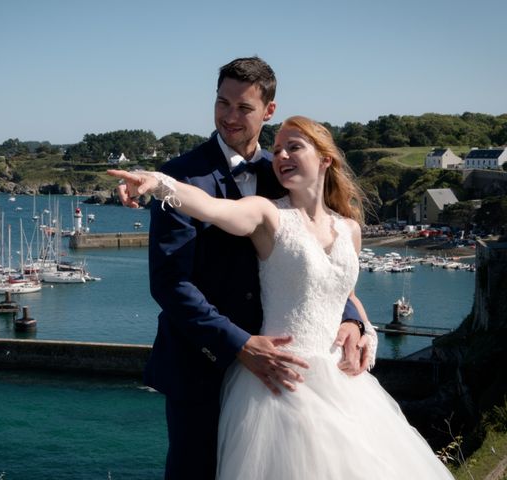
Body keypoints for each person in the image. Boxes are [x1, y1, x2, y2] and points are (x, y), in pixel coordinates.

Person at [108, 115, 454, 479]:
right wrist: (159, 183)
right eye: (277, 150)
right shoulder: (267, 213)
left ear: (325, 159)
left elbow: (342, 293)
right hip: (278, 383)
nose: (282, 156)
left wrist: (362, 327)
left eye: (294, 147)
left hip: (342, 383)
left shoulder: (350, 229)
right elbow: (210, 207)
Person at [115, 57, 373, 480]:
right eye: (222, 103)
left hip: (287, 376)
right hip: (201, 366)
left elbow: (322, 266)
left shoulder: (286, 170)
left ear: (268, 111)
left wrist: (352, 322)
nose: (229, 116)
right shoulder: (182, 175)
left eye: (243, 108)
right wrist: (239, 344)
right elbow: (169, 284)